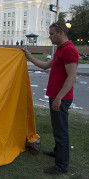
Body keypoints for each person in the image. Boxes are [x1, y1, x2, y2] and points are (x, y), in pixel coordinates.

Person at [23, 22, 78, 175]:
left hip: (61, 98)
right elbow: (45, 65)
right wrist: (29, 57)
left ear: (60, 32)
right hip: (55, 96)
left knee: (61, 132)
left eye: (51, 33)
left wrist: (59, 98)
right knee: (57, 128)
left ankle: (61, 165)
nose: (49, 36)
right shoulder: (60, 50)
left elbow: (72, 78)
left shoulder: (69, 50)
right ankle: (57, 152)